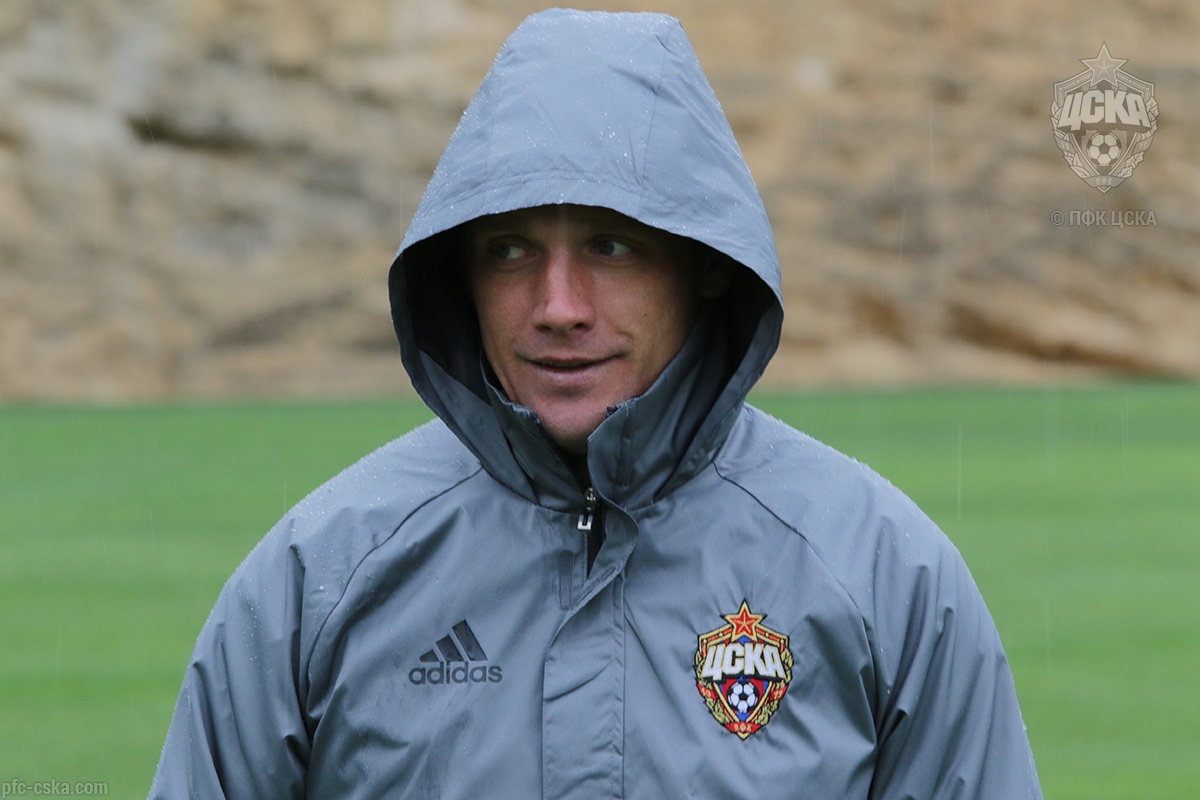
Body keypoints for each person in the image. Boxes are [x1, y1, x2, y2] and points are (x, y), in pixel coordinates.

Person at [150, 9, 1043, 799]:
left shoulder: (882, 574)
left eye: (612, 247)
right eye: (509, 250)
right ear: (459, 275)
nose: (558, 306)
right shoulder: (320, 577)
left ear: (706, 263)